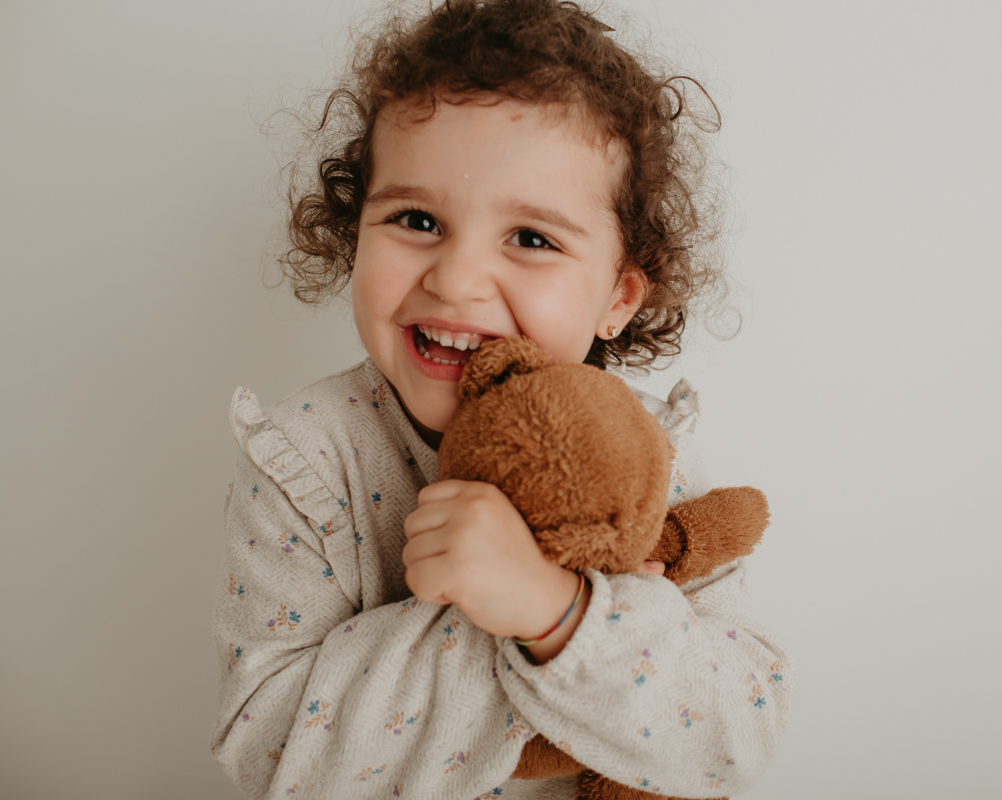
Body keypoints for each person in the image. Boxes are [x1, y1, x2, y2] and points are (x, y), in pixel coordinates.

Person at [211, 1, 791, 797]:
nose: (455, 279)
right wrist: (486, 618)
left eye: (531, 239)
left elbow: (738, 736)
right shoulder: (304, 460)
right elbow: (266, 755)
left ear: (618, 297)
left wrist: (558, 614)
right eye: (417, 219)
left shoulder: (647, 451)